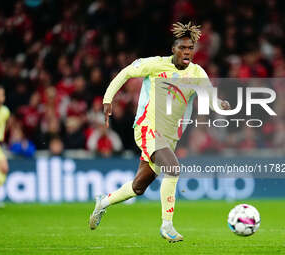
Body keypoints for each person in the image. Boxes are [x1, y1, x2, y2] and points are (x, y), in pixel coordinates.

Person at [89, 22, 230, 242]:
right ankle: (167, 226)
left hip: (170, 136)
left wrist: (220, 104)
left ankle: (103, 202)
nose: (187, 52)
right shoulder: (155, 65)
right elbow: (125, 73)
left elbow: (210, 97)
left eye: (190, 48)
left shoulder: (196, 72)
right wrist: (108, 99)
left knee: (139, 186)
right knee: (173, 168)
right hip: (148, 128)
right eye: (182, 48)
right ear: (173, 49)